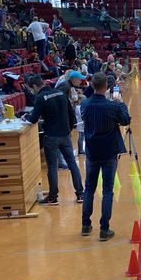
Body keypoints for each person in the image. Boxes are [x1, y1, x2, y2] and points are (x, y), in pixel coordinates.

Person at [80, 72, 130, 241]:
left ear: (92, 85)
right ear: (106, 87)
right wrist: (121, 103)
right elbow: (125, 120)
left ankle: (85, 225)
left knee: (89, 189)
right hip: (109, 152)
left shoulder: (85, 104)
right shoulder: (112, 106)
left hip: (92, 151)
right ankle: (104, 228)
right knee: (107, 190)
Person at [22, 75, 84, 205]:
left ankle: (53, 197)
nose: (32, 92)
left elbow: (33, 119)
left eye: (31, 89)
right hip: (65, 135)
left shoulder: (40, 98)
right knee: (72, 164)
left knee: (52, 167)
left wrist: (25, 117)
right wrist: (69, 129)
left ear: (34, 86)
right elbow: (71, 114)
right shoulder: (61, 93)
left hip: (51, 137)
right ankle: (80, 194)